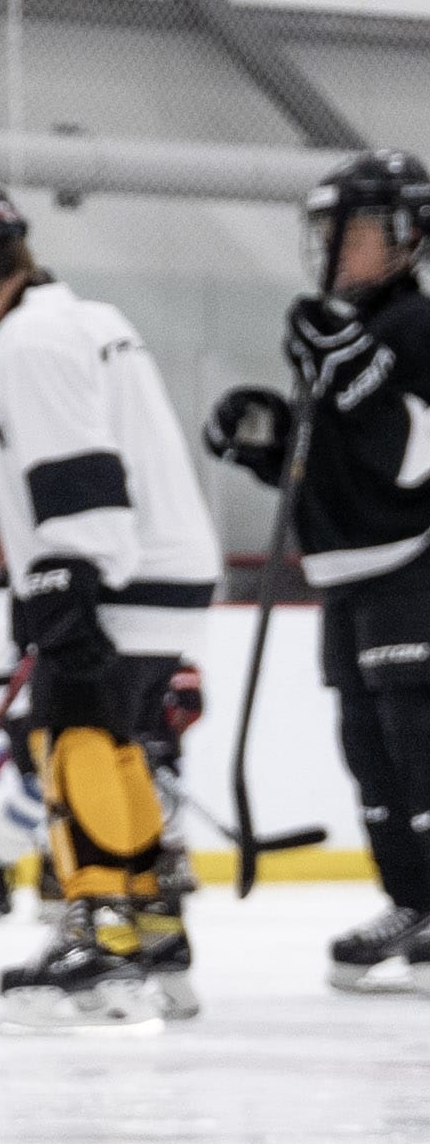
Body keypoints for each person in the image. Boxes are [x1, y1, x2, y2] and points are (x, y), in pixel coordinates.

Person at [0, 174, 218, 1030]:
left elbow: (78, 470)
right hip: (160, 565)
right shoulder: (86, 318)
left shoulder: (29, 340)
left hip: (112, 567)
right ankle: (153, 935)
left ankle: (100, 935)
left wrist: (62, 578)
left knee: (73, 736)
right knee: (119, 746)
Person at [202, 148, 430, 996]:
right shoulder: (351, 333)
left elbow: (414, 457)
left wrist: (355, 375)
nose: (331, 245)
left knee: (419, 755)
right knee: (370, 758)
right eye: (323, 229)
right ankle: (412, 899)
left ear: (407, 235)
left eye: (353, 229)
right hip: (345, 578)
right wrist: (263, 441)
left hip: (414, 571)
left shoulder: (413, 328)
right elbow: (332, 462)